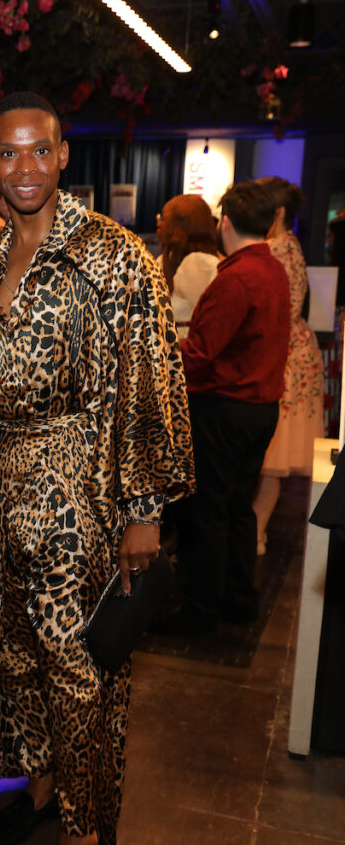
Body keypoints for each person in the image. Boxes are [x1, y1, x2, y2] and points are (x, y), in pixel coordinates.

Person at [0, 92, 194, 845]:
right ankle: (44, 793)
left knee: (76, 668)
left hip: (78, 492)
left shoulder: (114, 258)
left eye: (37, 152)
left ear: (61, 154)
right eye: (6, 155)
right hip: (0, 491)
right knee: (12, 658)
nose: (23, 169)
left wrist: (144, 510)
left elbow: (153, 386)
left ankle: (85, 840)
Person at [162, 181, 291, 635]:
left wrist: (157, 349)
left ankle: (201, 611)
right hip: (261, 407)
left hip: (224, 408)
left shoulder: (235, 278)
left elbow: (199, 354)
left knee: (207, 512)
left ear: (227, 224)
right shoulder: (272, 270)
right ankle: (239, 600)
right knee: (238, 508)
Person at [253, 177, 324, 554]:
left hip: (285, 351)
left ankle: (257, 533)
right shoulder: (289, 245)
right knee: (271, 458)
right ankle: (258, 532)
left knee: (270, 456)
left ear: (277, 211)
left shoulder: (276, 248)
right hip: (295, 347)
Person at [156, 194, 220, 339]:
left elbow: (209, 325)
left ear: (181, 225)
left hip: (186, 355)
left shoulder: (201, 264)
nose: (159, 223)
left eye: (164, 218)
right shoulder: (164, 260)